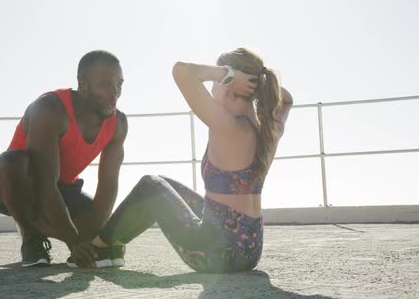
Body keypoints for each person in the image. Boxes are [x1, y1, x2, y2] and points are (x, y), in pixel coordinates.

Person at [88, 48, 293, 272]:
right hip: (250, 251)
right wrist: (260, 83)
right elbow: (287, 101)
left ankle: (101, 247)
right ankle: (113, 245)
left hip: (216, 254)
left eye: (220, 78)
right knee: (164, 182)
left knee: (151, 186)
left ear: (228, 83)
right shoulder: (268, 131)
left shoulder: (228, 125)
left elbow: (181, 71)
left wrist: (228, 74)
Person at [0, 50, 128, 267]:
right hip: (15, 184)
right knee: (15, 161)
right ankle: (31, 237)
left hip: (62, 189)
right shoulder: (49, 109)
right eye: (105, 84)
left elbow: (107, 189)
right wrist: (74, 241)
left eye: (119, 84)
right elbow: (44, 183)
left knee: (101, 226)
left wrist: (96, 237)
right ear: (83, 84)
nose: (114, 91)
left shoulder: (118, 124)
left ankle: (41, 226)